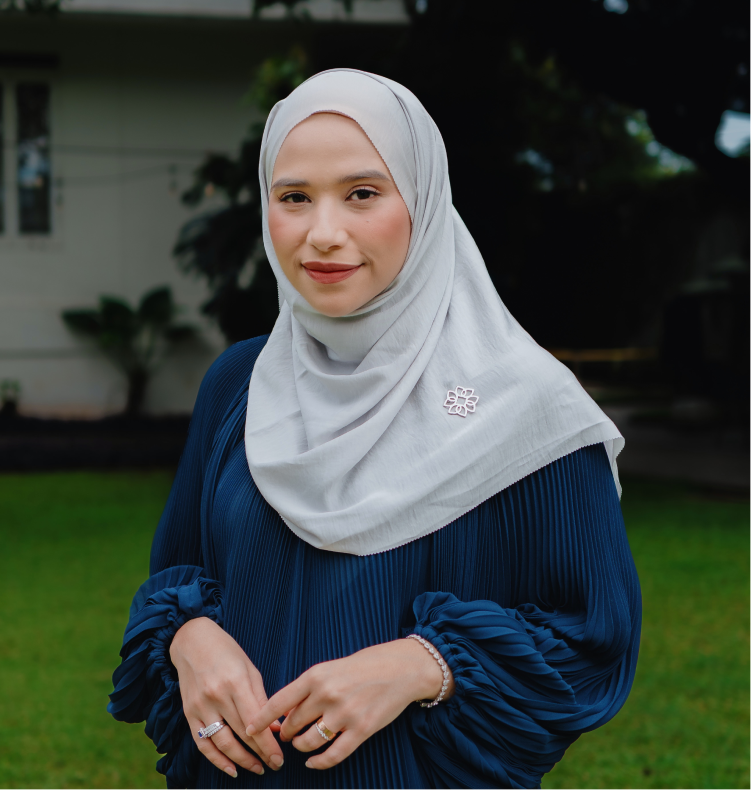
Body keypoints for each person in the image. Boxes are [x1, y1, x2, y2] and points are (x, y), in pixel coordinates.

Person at [108, 69, 641, 790]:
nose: (324, 234)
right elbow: (178, 571)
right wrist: (189, 639)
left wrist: (423, 665)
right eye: (294, 197)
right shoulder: (240, 384)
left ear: (421, 202)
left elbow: (594, 640)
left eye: (362, 193)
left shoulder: (528, 406)